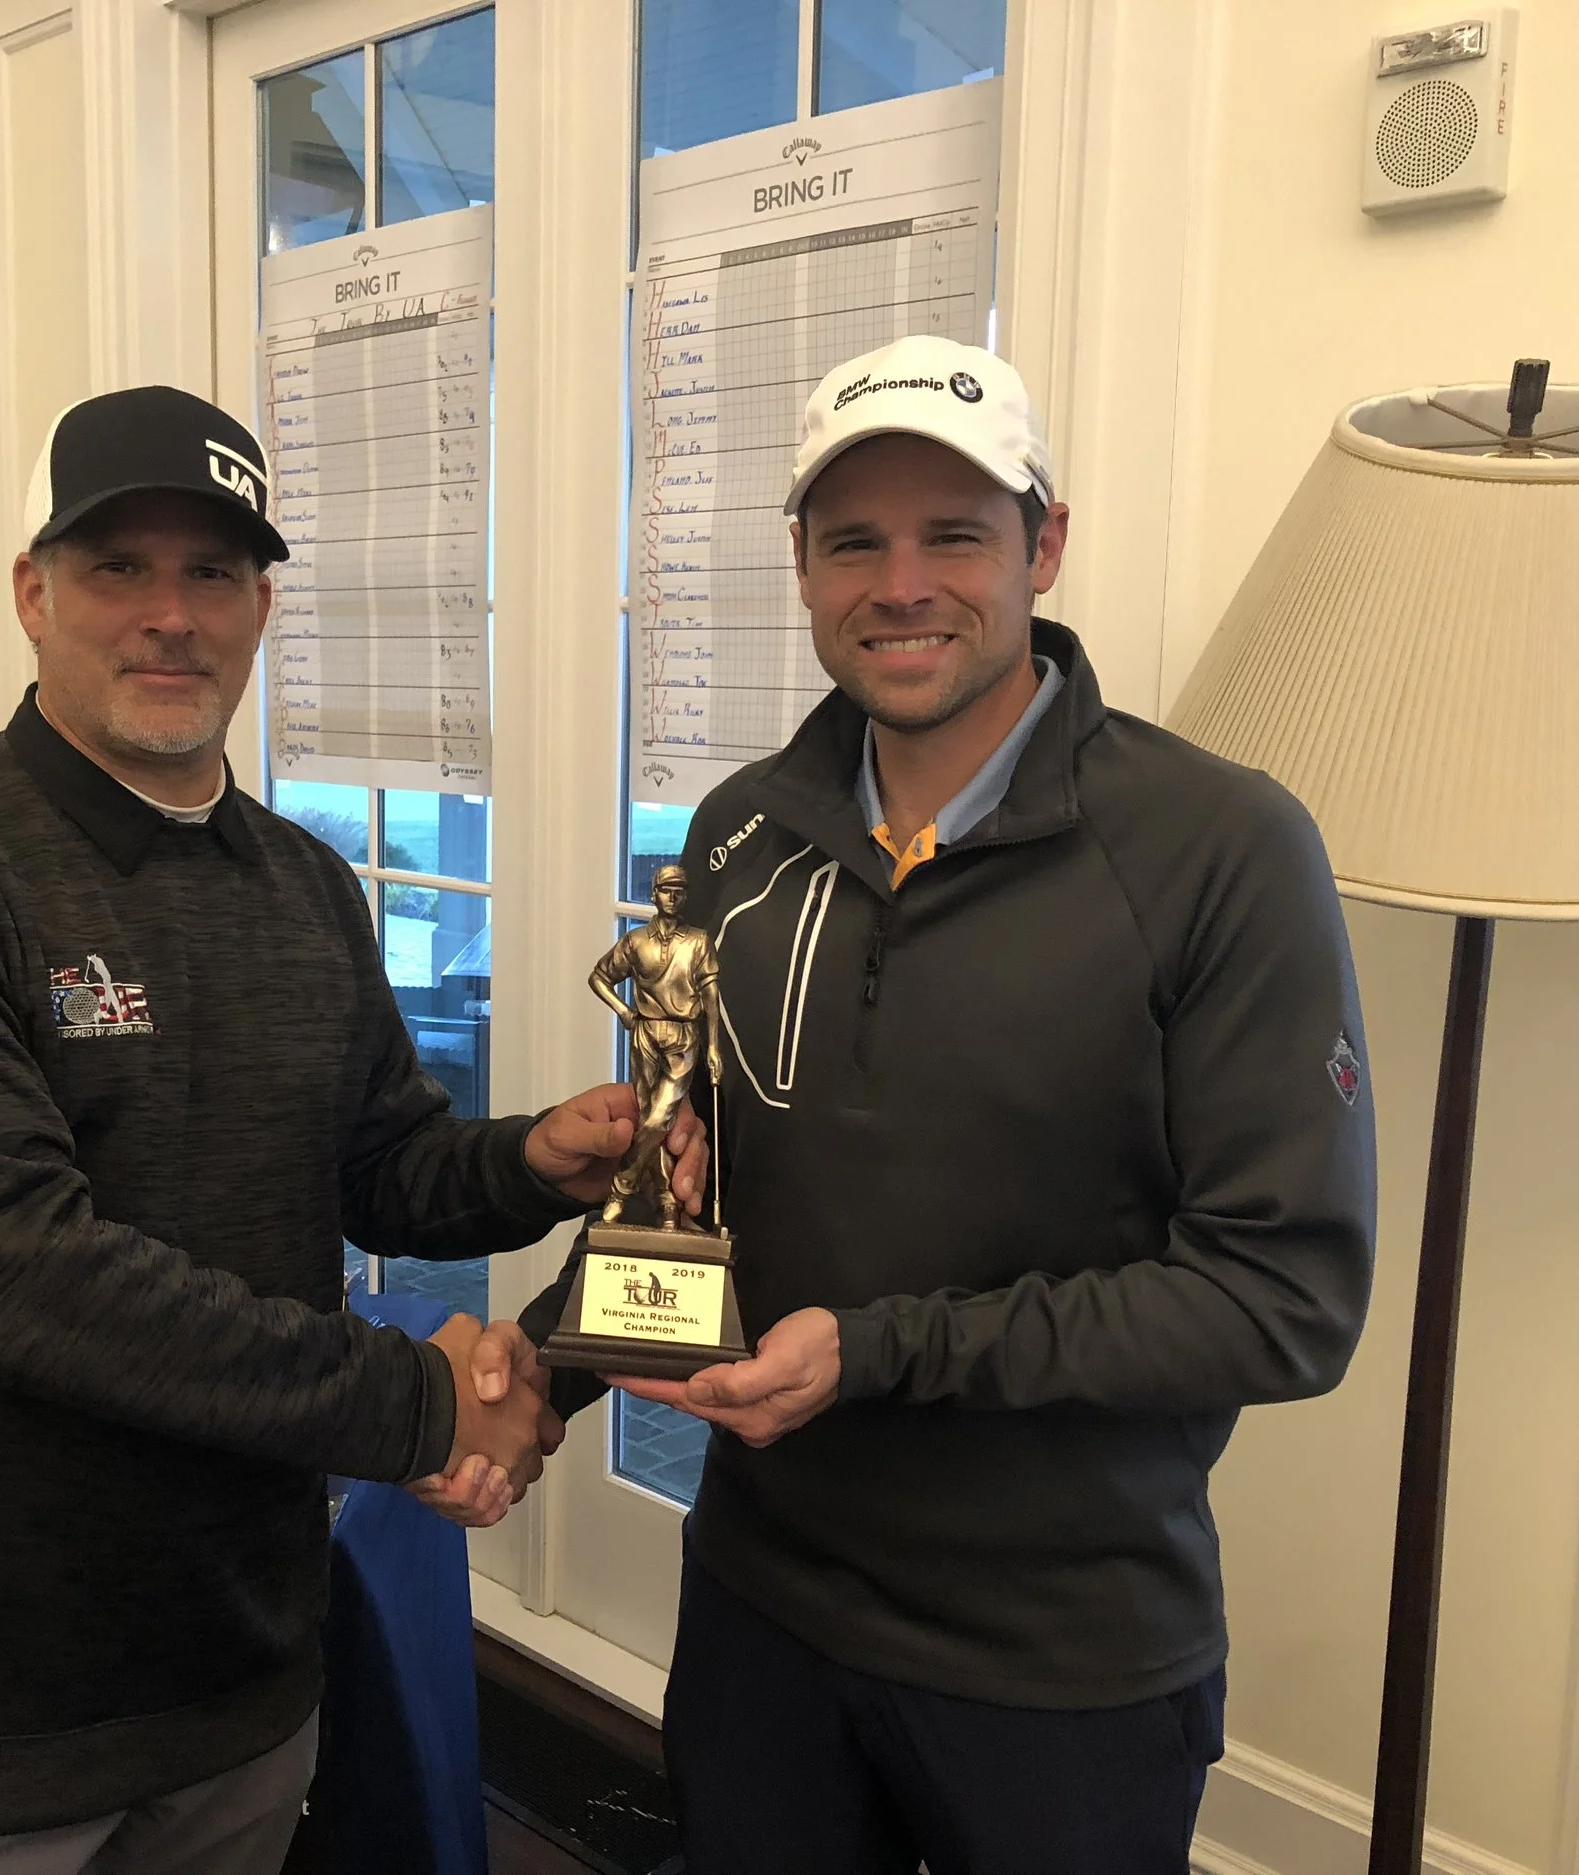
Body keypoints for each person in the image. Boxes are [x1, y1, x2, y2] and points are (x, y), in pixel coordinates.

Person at [0, 384, 693, 1875]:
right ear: (33, 593)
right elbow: (18, 1277)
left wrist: (531, 1156)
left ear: (263, 602)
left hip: (241, 1664)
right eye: (117, 567)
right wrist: (422, 1400)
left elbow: (378, 1159)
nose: (170, 616)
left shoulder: (305, 885)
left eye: (212, 572)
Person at [516, 335, 1378, 1873]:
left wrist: (879, 1350)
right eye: (855, 539)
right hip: (762, 1607)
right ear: (801, 564)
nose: (900, 582)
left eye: (956, 534)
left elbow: (1283, 1297)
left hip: (1060, 1659)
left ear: (1043, 543)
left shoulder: (1223, 849)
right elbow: (687, 1199)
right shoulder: (738, 833)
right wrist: (529, 1385)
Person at [588, 863, 721, 1227]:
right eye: (666, 889)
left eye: (679, 890)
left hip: (684, 1035)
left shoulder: (698, 941)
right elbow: (598, 977)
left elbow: (711, 996)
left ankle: (621, 1188)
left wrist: (713, 1046)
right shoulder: (635, 941)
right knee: (653, 1119)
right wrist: (623, 1010)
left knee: (661, 1115)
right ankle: (666, 1200)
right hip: (644, 1033)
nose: (672, 896)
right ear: (654, 894)